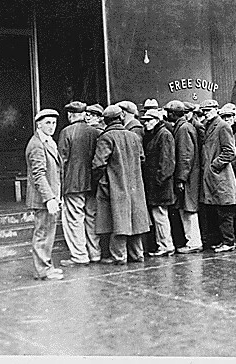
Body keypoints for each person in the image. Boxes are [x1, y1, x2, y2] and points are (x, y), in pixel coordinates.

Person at [93, 105, 151, 264]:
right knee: (135, 221)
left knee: (117, 221)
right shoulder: (133, 136)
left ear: (106, 120)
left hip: (115, 186)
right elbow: (142, 159)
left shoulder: (106, 137)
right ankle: (137, 254)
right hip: (135, 186)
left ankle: (119, 256)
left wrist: (99, 181)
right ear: (120, 118)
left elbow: (99, 164)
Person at [58, 101, 102, 268]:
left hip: (73, 183)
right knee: (91, 218)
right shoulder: (95, 132)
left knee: (75, 219)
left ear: (70, 115)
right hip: (92, 182)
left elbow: (62, 161)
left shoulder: (66, 132)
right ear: (84, 114)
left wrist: (60, 187)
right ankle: (95, 253)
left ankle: (79, 255)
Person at [25, 109, 64, 281]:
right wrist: (49, 198)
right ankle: (42, 270)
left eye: (54, 123)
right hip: (43, 198)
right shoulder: (37, 145)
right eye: (47, 123)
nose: (51, 126)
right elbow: (39, 174)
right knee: (42, 233)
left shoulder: (48, 142)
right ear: (38, 124)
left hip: (50, 196)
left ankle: (46, 267)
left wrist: (56, 196)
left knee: (48, 233)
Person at [199, 99, 236, 253]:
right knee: (218, 210)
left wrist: (215, 165)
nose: (206, 114)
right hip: (214, 176)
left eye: (209, 110)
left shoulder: (222, 126)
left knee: (225, 211)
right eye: (204, 111)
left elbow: (230, 151)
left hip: (221, 176)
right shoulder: (209, 126)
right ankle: (224, 241)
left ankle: (229, 242)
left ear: (216, 110)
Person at [165, 100, 202, 254]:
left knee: (189, 209)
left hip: (187, 177)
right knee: (186, 209)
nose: (167, 115)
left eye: (169, 112)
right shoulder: (184, 127)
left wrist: (181, 179)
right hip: (188, 176)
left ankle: (193, 242)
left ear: (174, 113)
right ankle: (192, 241)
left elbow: (185, 156)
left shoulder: (183, 129)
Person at [141, 109, 176, 257]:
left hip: (160, 185)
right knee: (159, 216)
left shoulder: (163, 135)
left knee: (160, 215)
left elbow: (167, 162)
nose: (146, 123)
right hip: (158, 184)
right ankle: (164, 244)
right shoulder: (159, 134)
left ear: (156, 120)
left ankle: (166, 245)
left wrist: (159, 180)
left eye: (149, 120)